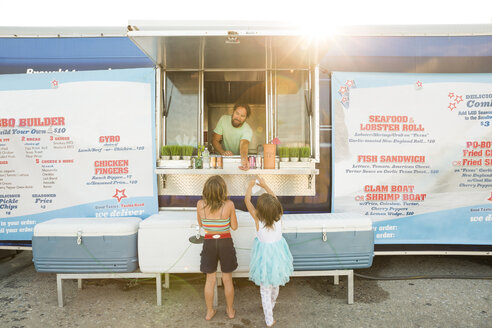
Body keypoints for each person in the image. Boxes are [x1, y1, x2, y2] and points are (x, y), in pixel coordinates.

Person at [244, 177, 294, 327]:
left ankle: (269, 318)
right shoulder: (279, 216)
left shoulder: (258, 218)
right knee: (275, 283)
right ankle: (271, 304)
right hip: (278, 255)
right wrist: (265, 185)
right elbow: (275, 199)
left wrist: (250, 187)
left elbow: (247, 202)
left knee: (265, 289)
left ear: (260, 210)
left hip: (263, 257)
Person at [197, 175, 238, 320]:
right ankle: (230, 310)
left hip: (209, 242)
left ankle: (209, 311)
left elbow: (201, 224)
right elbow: (234, 226)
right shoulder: (229, 205)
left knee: (210, 279)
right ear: (223, 190)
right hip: (225, 241)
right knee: (227, 279)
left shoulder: (200, 204)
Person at [212, 103, 253, 171]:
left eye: (242, 116)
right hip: (221, 161)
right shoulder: (223, 119)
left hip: (237, 162)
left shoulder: (248, 129)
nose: (238, 118)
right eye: (237, 113)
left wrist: (244, 159)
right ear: (233, 111)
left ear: (246, 118)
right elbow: (214, 140)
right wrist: (223, 152)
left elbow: (244, 144)